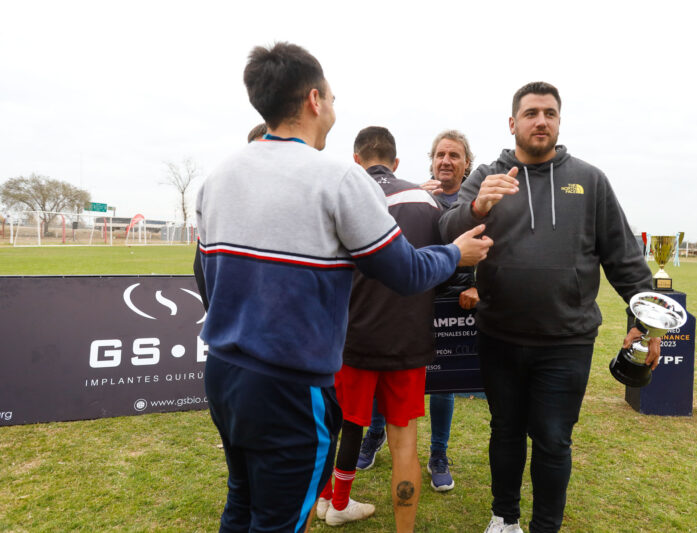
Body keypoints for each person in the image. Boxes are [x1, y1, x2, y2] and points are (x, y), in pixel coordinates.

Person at [194, 42, 492, 533]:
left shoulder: (218, 176)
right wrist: (455, 254)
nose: (334, 105)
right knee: (280, 519)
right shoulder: (337, 178)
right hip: (291, 384)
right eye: (332, 97)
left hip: (223, 372)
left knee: (240, 503)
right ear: (314, 100)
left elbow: (204, 276)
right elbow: (404, 273)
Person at [439, 82, 659, 533]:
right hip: (500, 335)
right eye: (531, 113)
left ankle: (545, 527)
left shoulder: (590, 180)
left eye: (550, 113)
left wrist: (645, 324)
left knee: (554, 439)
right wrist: (476, 207)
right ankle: (504, 519)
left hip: (566, 340)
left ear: (559, 121)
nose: (541, 121)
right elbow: (447, 230)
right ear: (512, 122)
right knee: (505, 431)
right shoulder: (487, 176)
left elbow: (624, 258)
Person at [317, 126, 450, 531]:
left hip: (351, 338)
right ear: (396, 162)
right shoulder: (426, 201)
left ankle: (328, 501)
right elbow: (444, 267)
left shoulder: (342, 194)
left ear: (356, 160)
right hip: (407, 340)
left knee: (335, 429)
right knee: (404, 445)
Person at [357, 130, 478, 494]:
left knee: (443, 385)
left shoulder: (475, 202)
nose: (446, 161)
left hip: (454, 303)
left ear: (466, 164)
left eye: (454, 155)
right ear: (431, 160)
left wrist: (479, 286)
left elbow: (492, 248)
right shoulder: (417, 196)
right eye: (440, 154)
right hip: (411, 302)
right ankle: (374, 434)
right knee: (386, 370)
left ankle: (438, 454)